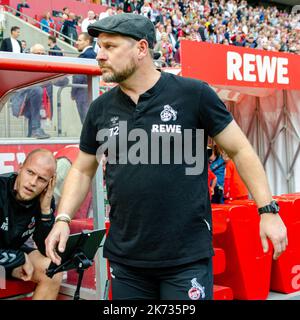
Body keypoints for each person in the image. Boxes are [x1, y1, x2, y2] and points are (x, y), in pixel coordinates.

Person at [45, 13, 287, 300]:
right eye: (99, 46)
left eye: (110, 47)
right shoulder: (100, 109)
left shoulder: (193, 94)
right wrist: (62, 218)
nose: (100, 54)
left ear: (141, 49)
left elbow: (240, 150)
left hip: (185, 259)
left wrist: (268, 211)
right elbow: (84, 169)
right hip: (126, 259)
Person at [0, 149, 62, 299]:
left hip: (9, 254)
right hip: (9, 255)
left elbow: (46, 249)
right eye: (30, 173)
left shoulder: (44, 200)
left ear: (49, 183)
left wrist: (45, 211)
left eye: (41, 179)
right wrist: (18, 258)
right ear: (20, 168)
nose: (33, 183)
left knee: (52, 271)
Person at [10, 44, 51, 139]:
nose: (40, 56)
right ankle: (35, 128)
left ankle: (33, 132)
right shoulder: (23, 63)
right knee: (37, 90)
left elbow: (62, 81)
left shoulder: (46, 66)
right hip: (21, 98)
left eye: (42, 54)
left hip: (35, 102)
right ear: (30, 53)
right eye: (38, 53)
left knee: (37, 93)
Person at [71, 33, 96, 124]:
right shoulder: (93, 54)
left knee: (86, 121)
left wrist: (73, 92)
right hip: (89, 90)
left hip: (82, 92)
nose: (77, 42)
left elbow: (78, 77)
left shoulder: (85, 56)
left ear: (87, 41)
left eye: (79, 40)